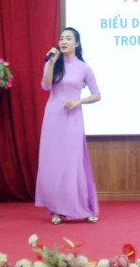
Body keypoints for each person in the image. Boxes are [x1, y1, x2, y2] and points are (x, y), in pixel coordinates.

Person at [35, 27, 101, 224]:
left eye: (68, 38)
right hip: (53, 116)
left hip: (73, 118)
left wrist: (79, 101)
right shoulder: (53, 63)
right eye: (61, 38)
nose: (63, 41)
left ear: (77, 43)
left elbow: (97, 95)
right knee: (54, 163)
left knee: (73, 163)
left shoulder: (84, 68)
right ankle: (56, 209)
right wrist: (51, 63)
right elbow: (45, 86)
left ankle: (81, 208)